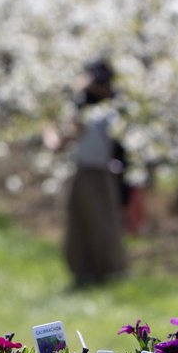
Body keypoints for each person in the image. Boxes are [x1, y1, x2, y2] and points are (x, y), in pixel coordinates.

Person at [43, 59, 129, 287]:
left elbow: (61, 142)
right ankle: (96, 270)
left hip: (92, 175)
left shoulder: (98, 114)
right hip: (96, 175)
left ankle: (96, 270)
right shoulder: (104, 112)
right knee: (94, 223)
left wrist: (47, 131)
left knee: (92, 224)